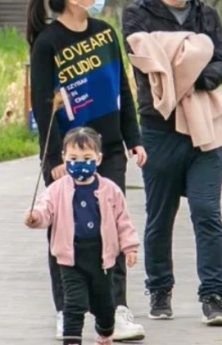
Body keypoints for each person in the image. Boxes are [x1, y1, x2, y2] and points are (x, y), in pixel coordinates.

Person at [28, 0, 148, 341]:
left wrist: (134, 139)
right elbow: (43, 106)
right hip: (69, 157)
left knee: (110, 224)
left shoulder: (105, 33)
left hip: (108, 149)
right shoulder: (48, 43)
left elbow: (122, 91)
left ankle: (116, 308)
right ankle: (67, 309)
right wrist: (52, 164)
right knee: (65, 229)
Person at [122, 0, 222, 326]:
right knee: (160, 215)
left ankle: (214, 297)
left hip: (205, 128)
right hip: (159, 129)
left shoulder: (207, 14)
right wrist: (191, 55)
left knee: (207, 212)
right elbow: (147, 65)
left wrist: (190, 71)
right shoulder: (137, 13)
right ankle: (160, 289)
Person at [25, 127, 140, 345]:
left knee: (106, 306)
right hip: (71, 258)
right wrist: (34, 217)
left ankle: (105, 332)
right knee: (73, 305)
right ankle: (72, 340)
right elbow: (44, 211)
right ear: (64, 158)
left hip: (101, 259)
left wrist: (130, 248)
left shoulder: (110, 190)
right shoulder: (57, 189)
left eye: (87, 158)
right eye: (74, 158)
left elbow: (123, 221)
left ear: (98, 159)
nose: (80, 163)